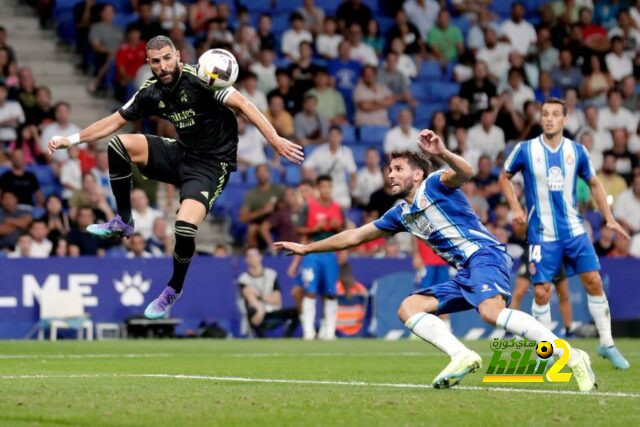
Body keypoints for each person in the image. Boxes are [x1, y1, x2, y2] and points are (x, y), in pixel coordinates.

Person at [276, 131, 597, 392]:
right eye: (389, 170)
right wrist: (307, 250)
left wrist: (442, 151)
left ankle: (571, 356)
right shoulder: (399, 213)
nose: (391, 174)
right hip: (465, 272)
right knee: (408, 308)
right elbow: (354, 236)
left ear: (418, 174)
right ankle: (462, 355)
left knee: (490, 313)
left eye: (398, 169)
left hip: (485, 255)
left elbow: (466, 172)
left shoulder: (436, 183)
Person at [47, 36, 303, 319]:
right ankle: (123, 220)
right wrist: (70, 139)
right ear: (149, 64)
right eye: (156, 61)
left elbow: (243, 104)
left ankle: (173, 288)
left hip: (210, 166)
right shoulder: (150, 91)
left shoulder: (203, 80)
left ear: (178, 56)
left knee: (183, 227)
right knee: (119, 145)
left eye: (167, 58)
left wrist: (275, 140)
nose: (163, 65)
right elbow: (114, 121)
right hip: (181, 153)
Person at [499, 97, 630, 370]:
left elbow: (594, 183)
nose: (549, 118)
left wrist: (608, 218)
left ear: (564, 119)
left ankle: (606, 343)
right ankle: (545, 353)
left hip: (574, 231)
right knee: (543, 292)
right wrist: (514, 207)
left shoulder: (578, 151)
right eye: (545, 114)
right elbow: (504, 176)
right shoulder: (526, 149)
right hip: (541, 233)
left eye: (555, 114)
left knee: (593, 281)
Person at [288, 175, 344, 340]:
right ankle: (309, 332)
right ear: (318, 189)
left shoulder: (337, 208)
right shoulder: (309, 207)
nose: (326, 190)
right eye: (323, 187)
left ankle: (329, 332)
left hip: (331, 253)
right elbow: (298, 229)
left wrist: (337, 227)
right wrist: (313, 228)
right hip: (313, 253)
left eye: (329, 187)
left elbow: (345, 232)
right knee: (310, 291)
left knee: (331, 292)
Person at [238, 247, 300, 338]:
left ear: (260, 257)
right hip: (257, 312)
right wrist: (260, 308)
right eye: (249, 256)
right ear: (246, 259)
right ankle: (262, 340)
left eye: (254, 255)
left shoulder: (271, 274)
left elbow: (277, 299)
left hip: (272, 311)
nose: (252, 259)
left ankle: (286, 338)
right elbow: (249, 295)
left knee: (296, 312)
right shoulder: (243, 278)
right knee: (252, 312)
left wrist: (259, 296)